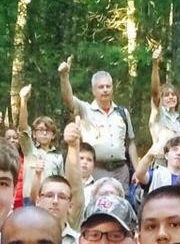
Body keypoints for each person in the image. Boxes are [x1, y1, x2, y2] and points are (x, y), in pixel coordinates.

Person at [59, 57, 138, 191]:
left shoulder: (123, 113)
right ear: (93, 90)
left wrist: (137, 169)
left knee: (121, 204)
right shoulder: (85, 110)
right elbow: (68, 99)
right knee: (96, 203)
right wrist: (64, 77)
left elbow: (130, 143)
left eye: (108, 86)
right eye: (101, 87)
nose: (105, 90)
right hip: (97, 170)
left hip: (121, 171)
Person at [147, 45, 180, 153]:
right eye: (166, 95)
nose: (171, 97)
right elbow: (155, 91)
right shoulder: (158, 113)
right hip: (161, 162)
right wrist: (155, 65)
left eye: (173, 94)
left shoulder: (177, 121)